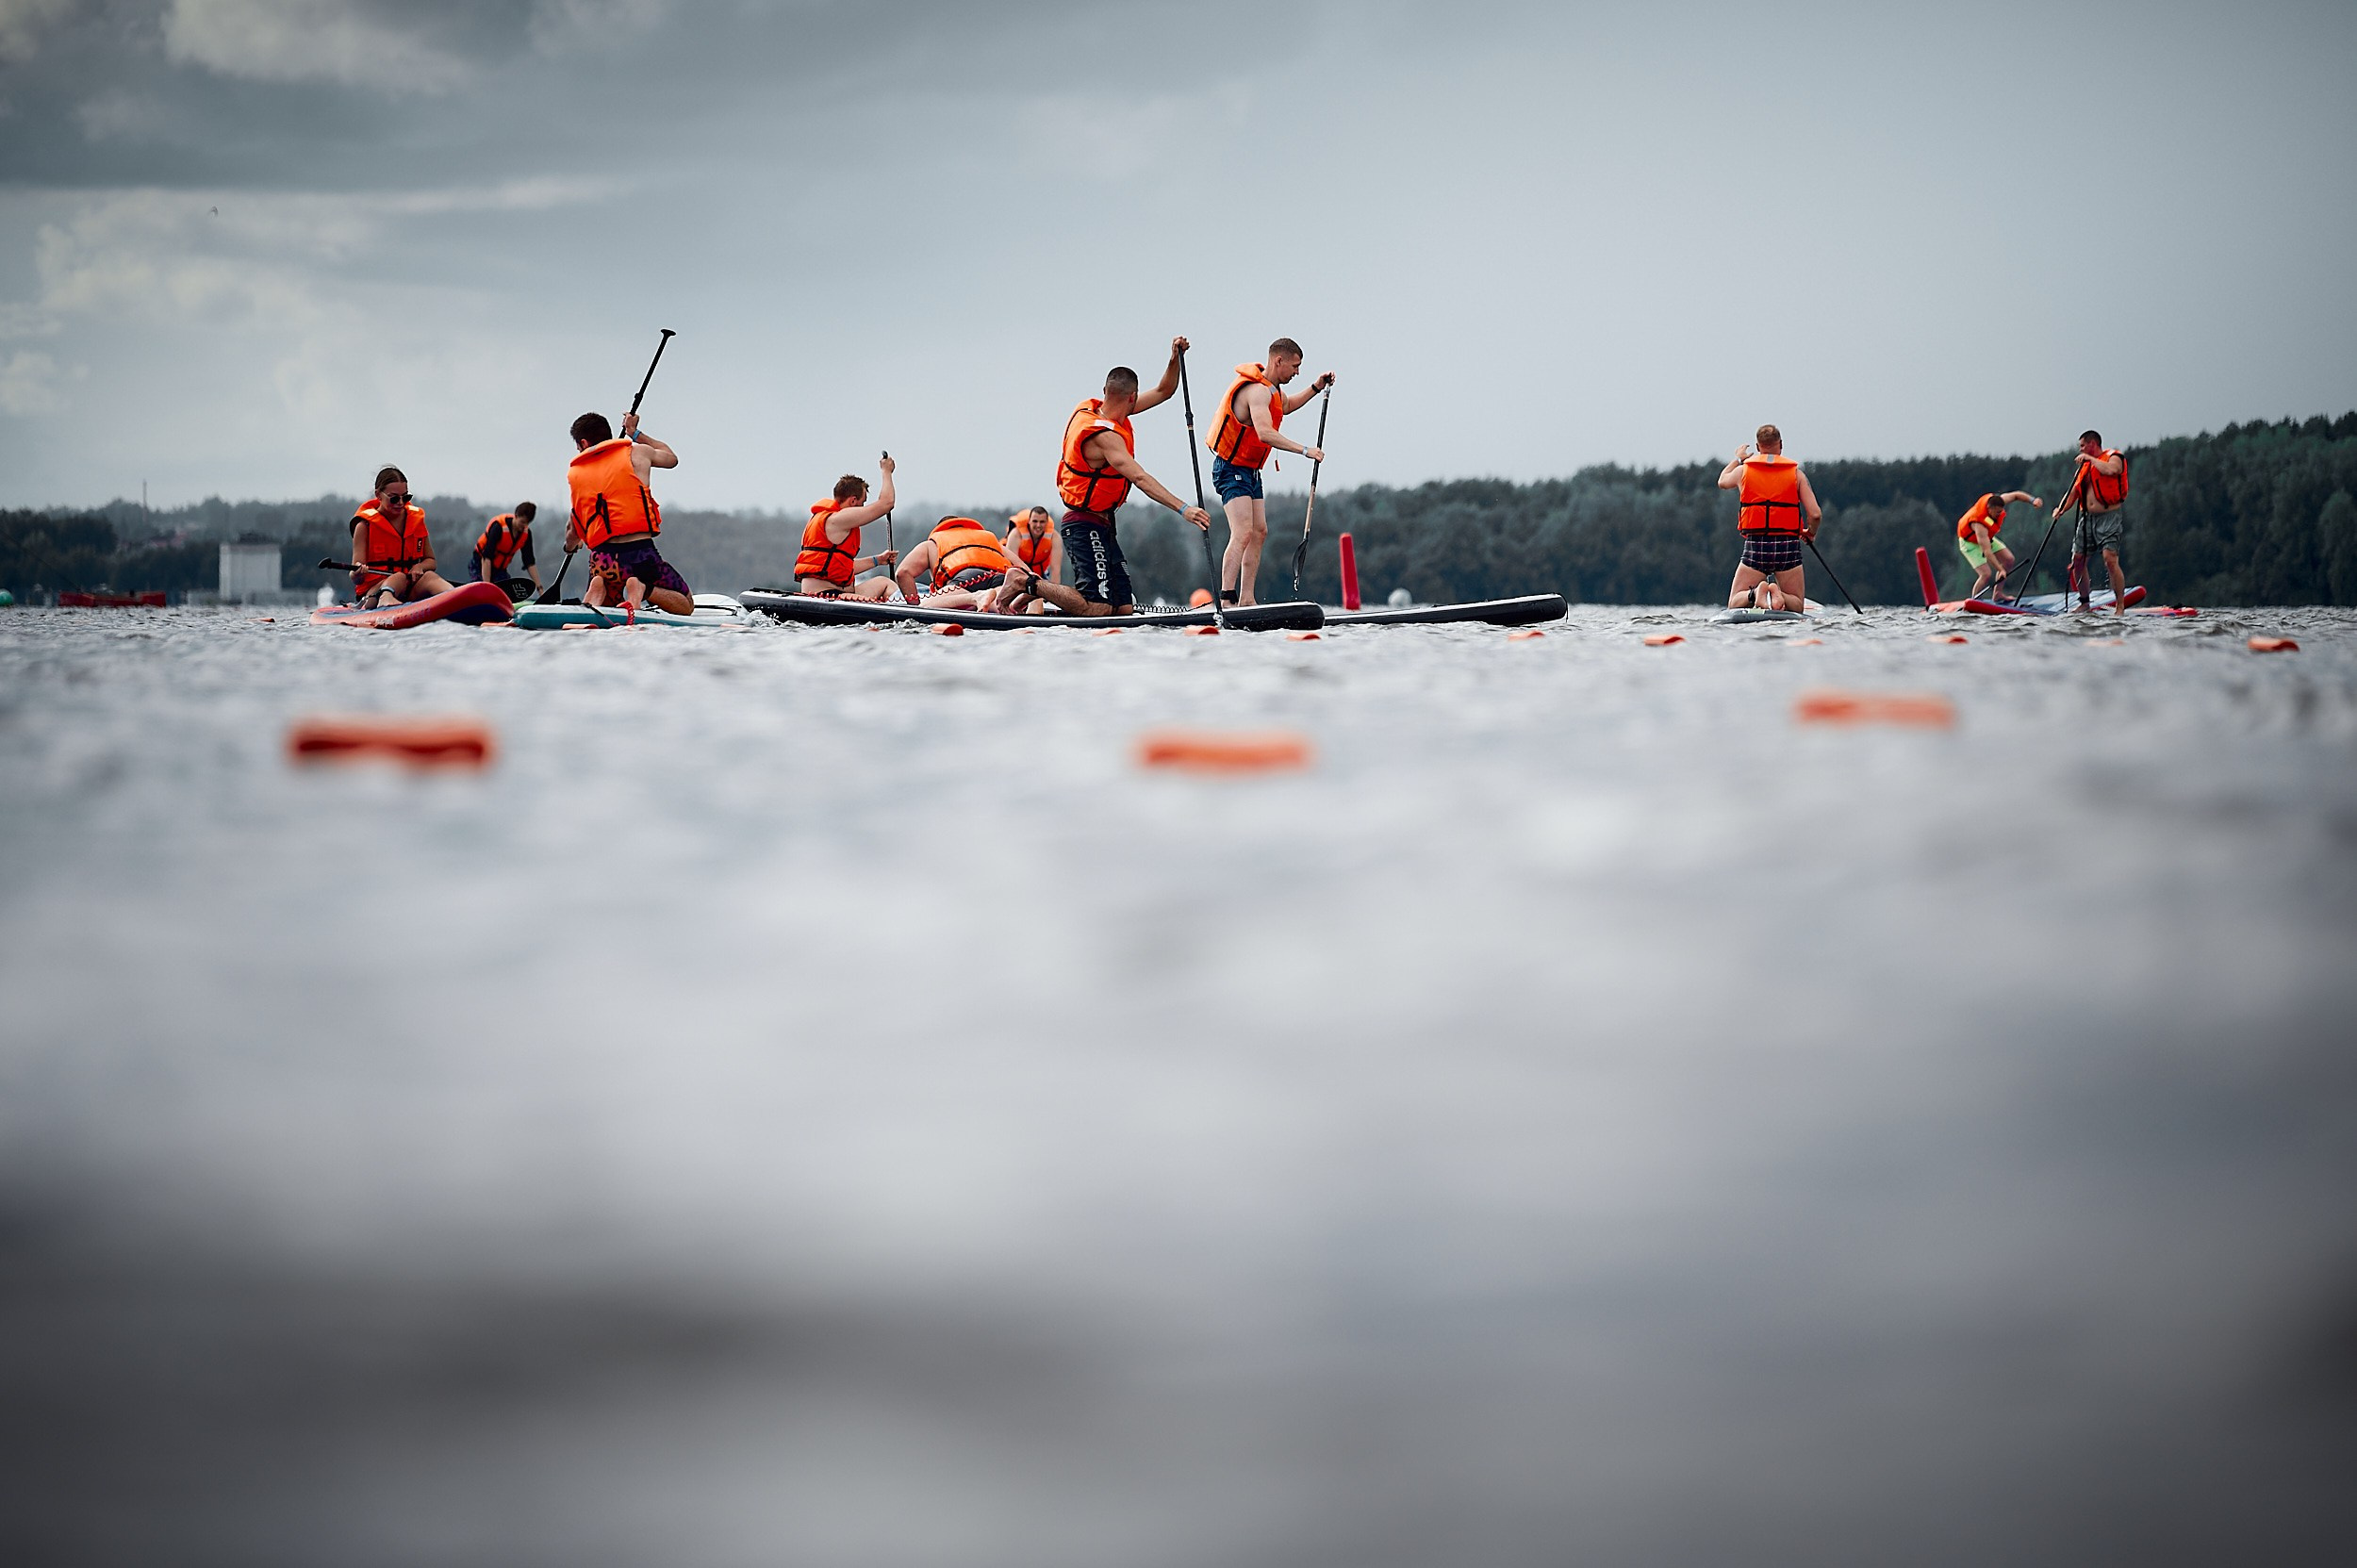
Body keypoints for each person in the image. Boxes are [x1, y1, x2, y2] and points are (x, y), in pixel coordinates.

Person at [1035, 339, 1213, 618]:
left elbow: (1165, 391)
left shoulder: (1106, 409)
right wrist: (1184, 509)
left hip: (1104, 524)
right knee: (1099, 607)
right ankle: (1028, 584)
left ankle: (1058, 604)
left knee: (1123, 608)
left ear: (1106, 392)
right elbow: (1140, 478)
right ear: (1132, 397)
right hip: (1083, 523)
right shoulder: (1105, 437)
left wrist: (1174, 358)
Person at [1207, 338, 1332, 605]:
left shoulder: (1273, 392)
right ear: (1279, 361)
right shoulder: (1257, 391)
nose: (1297, 372)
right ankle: (1226, 600)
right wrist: (1304, 450)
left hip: (1250, 471)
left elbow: (1287, 405)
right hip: (1231, 468)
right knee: (1242, 532)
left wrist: (1315, 387)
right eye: (1295, 366)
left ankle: (1247, 599)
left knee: (1260, 531)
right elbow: (1264, 433)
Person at [567, 410, 692, 616]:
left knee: (603, 610)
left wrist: (569, 547)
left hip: (602, 559)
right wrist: (635, 433)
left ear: (583, 443)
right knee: (686, 605)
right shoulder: (638, 453)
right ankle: (644, 589)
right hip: (639, 553)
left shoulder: (576, 474)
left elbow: (573, 527)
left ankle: (598, 588)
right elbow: (671, 458)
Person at [1715, 425, 1822, 611]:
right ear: (1781, 445)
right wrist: (1810, 533)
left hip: (1756, 546)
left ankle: (1755, 593)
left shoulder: (1744, 471)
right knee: (1797, 604)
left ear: (1758, 447)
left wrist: (1739, 460)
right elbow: (1815, 514)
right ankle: (1778, 594)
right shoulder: (1796, 474)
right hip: (1787, 546)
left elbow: (1722, 481)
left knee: (1734, 602)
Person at [794, 457, 900, 601]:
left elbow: (840, 566)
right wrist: (886, 471)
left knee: (884, 583)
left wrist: (878, 560)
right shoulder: (838, 519)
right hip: (827, 596)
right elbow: (886, 504)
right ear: (853, 501)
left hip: (836, 593)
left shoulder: (832, 522)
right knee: (883, 590)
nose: (863, 508)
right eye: (862, 503)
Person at [350, 466, 453, 607]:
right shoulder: (363, 527)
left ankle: (457, 597)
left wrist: (420, 566)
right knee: (398, 576)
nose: (400, 503)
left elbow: (431, 561)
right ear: (378, 495)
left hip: (408, 591)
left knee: (429, 576)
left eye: (405, 497)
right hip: (372, 595)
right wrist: (358, 572)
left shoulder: (416, 521)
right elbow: (355, 577)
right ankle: (386, 599)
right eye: (394, 499)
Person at [2059, 430, 2131, 613]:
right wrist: (2060, 509)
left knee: (2110, 560)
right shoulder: (2085, 467)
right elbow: (2073, 493)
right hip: (2087, 519)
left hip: (2109, 517)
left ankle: (2120, 606)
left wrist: (2090, 459)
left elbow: (2112, 470)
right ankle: (2084, 603)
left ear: (2092, 444)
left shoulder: (2113, 457)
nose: (2081, 449)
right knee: (2078, 561)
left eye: (2083, 445)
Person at [894, 516, 1018, 608]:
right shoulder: (988, 540)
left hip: (966, 579)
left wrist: (914, 605)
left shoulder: (932, 544)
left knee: (925, 607)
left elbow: (903, 572)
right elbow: (1022, 568)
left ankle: (975, 597)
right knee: (1001, 607)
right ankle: (1026, 602)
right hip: (999, 577)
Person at [1955, 488, 2041, 601]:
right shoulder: (1979, 524)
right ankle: (1974, 601)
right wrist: (2000, 570)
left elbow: (2016, 495)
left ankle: (1997, 594)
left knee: (2009, 559)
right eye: (1997, 513)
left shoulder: (1998, 501)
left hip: (1986, 538)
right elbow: (1987, 552)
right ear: (1989, 509)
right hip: (1970, 543)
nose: (1999, 515)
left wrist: (2033, 500)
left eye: (2000, 512)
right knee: (1986, 574)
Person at [470, 502, 539, 595]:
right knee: (482, 589)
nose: (523, 526)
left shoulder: (526, 534)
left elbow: (529, 562)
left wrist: (539, 588)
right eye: (522, 522)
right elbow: (487, 557)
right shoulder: (498, 527)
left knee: (505, 591)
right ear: (516, 515)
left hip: (499, 569)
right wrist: (487, 586)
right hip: (480, 564)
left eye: (527, 523)